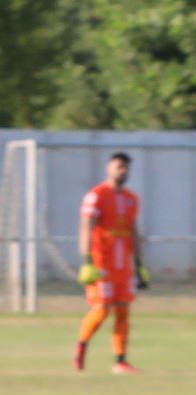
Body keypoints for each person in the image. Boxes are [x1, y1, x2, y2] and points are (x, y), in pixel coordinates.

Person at [73, 152, 148, 374]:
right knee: (102, 309)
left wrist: (139, 264)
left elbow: (133, 231)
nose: (122, 171)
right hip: (101, 262)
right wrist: (87, 260)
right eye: (118, 167)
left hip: (123, 264)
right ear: (109, 168)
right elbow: (86, 226)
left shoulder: (131, 198)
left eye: (125, 167)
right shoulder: (96, 195)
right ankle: (81, 346)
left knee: (123, 310)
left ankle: (121, 360)